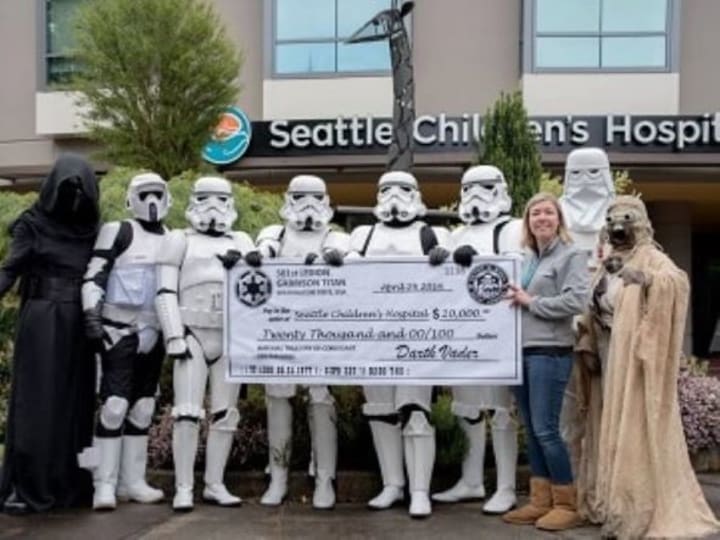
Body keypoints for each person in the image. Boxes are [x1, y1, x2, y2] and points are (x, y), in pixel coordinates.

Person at [574, 195, 720, 539]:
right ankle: (610, 502)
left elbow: (676, 283)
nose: (618, 228)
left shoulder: (653, 257)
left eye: (626, 220)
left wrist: (643, 279)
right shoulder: (608, 260)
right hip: (607, 351)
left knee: (633, 425)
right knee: (607, 422)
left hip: (635, 358)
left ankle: (634, 507)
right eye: (612, 221)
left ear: (639, 223)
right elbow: (596, 303)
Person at [0, 154, 100, 513]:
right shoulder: (32, 224)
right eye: (67, 189)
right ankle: (25, 484)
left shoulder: (94, 228)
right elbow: (10, 269)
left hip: (80, 322)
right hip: (43, 319)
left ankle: (68, 482)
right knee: (37, 403)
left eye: (80, 190)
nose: (74, 198)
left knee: (75, 403)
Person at [348, 170, 449, 518]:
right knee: (380, 411)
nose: (394, 196)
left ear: (416, 194)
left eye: (403, 189)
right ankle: (392, 484)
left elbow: (455, 276)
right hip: (371, 333)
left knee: (416, 411)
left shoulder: (432, 234)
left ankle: (420, 490)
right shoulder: (362, 235)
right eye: (386, 189)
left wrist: (448, 256)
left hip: (416, 333)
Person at [244, 175, 348, 510]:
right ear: (288, 200)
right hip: (281, 329)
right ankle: (278, 476)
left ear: (326, 200)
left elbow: (345, 257)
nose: (307, 206)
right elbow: (262, 252)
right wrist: (256, 256)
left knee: (320, 398)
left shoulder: (334, 236)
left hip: (320, 330)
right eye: (300, 198)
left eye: (315, 198)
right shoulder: (275, 234)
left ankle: (325, 478)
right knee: (277, 397)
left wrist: (333, 259)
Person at [155, 176, 255, 511]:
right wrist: (173, 334)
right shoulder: (178, 239)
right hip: (191, 332)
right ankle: (184, 486)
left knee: (226, 414)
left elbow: (261, 283)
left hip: (229, 334)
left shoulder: (242, 240)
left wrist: (245, 263)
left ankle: (215, 483)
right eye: (206, 198)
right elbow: (165, 290)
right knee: (187, 412)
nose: (213, 207)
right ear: (194, 201)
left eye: (221, 199)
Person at [430, 165, 521, 514]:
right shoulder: (456, 233)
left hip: (498, 333)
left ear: (500, 191)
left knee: (501, 410)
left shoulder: (511, 229)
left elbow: (518, 266)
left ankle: (506, 486)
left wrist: (480, 260)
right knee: (467, 408)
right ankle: (471, 480)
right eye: (469, 189)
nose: (476, 196)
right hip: (461, 333)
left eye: (485, 188)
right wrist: (437, 260)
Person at [82, 173, 170, 510]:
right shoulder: (118, 231)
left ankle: (132, 481)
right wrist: (91, 314)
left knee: (144, 407)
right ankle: (103, 483)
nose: (152, 201)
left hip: (154, 332)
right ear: (131, 198)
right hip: (117, 330)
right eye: (145, 194)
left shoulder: (172, 238)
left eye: (157, 193)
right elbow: (95, 274)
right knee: (114, 406)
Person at [502, 192, 589, 531]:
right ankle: (540, 501)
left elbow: (577, 301)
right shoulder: (525, 259)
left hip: (550, 352)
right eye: (535, 213)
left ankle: (567, 504)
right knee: (532, 431)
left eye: (548, 212)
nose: (541, 218)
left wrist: (531, 301)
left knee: (546, 430)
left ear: (559, 219)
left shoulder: (572, 255)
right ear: (528, 222)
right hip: (520, 353)